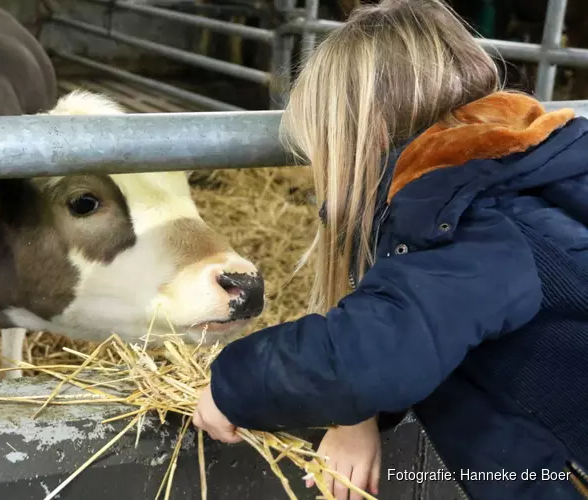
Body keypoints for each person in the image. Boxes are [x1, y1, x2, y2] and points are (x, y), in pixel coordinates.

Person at [191, 1, 588, 499]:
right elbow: (426, 321)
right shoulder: (511, 171)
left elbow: (374, 354)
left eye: (322, 152)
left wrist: (236, 384)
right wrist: (357, 416)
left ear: (367, 136)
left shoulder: (476, 217)